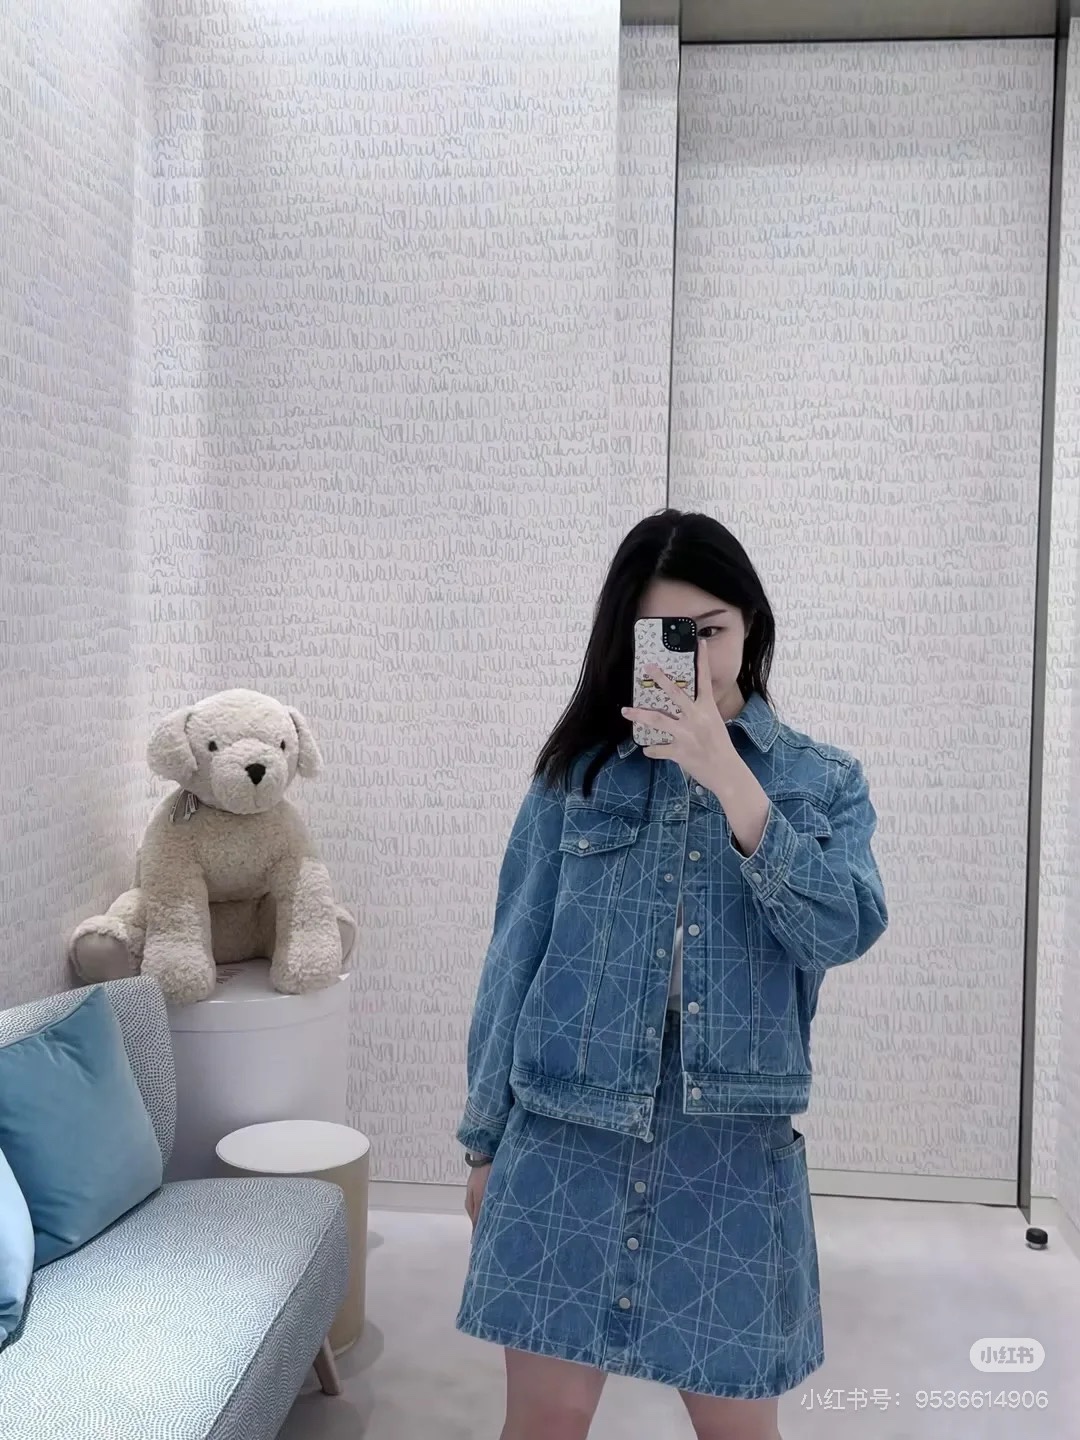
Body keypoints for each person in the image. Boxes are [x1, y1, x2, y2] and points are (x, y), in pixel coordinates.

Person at [455, 509, 888, 1440]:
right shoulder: (578, 777)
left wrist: (733, 781)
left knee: (739, 1428)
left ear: (751, 624)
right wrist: (484, 1142)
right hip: (565, 1132)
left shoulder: (822, 781)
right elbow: (514, 954)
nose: (695, 658)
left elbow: (842, 929)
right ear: (631, 640)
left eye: (712, 631)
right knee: (544, 1423)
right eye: (668, 636)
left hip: (731, 1147)